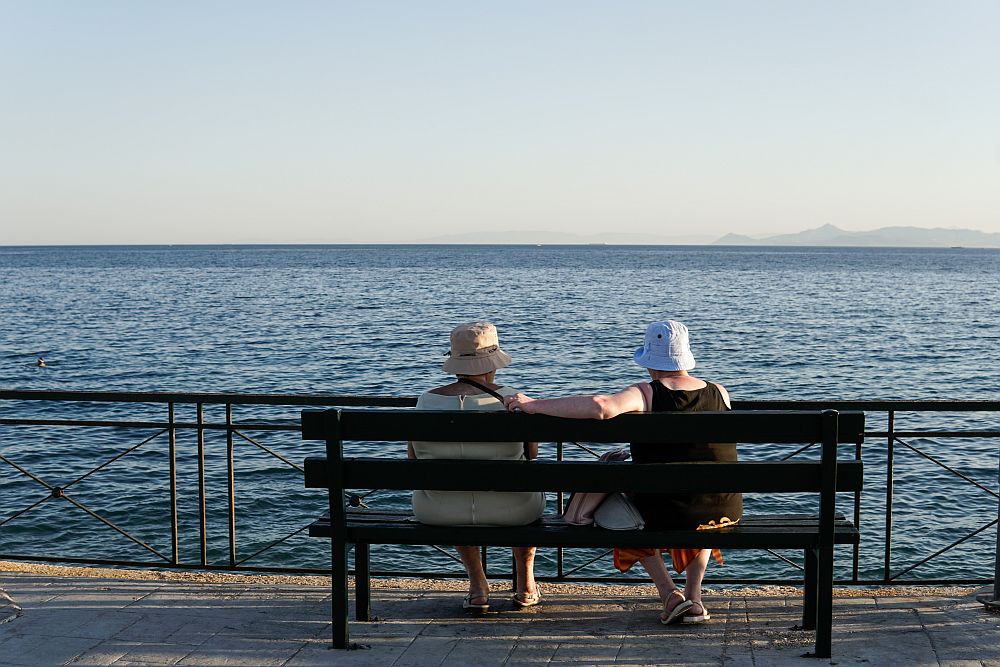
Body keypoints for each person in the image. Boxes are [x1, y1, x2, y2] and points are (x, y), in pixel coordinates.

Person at [504, 319, 741, 625]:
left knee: (619, 513)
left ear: (650, 362)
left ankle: (669, 595)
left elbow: (602, 407)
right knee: (696, 495)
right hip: (725, 509)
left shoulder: (648, 392)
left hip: (668, 512)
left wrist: (533, 405)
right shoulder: (719, 391)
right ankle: (693, 598)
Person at [408, 321, 546, 612]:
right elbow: (531, 455)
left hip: (438, 510)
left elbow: (413, 459)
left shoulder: (426, 401)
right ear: (492, 363)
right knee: (525, 482)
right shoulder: (512, 401)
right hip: (515, 511)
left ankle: (478, 587)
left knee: (455, 486)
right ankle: (526, 585)